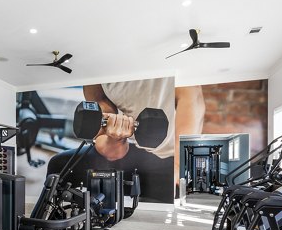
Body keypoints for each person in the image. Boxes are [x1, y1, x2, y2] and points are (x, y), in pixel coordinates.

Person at [47, 77, 205, 203]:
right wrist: (113, 131)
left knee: (171, 189)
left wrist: (180, 165)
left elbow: (192, 98)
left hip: (173, 151)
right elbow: (101, 104)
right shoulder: (95, 66)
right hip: (137, 143)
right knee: (59, 164)